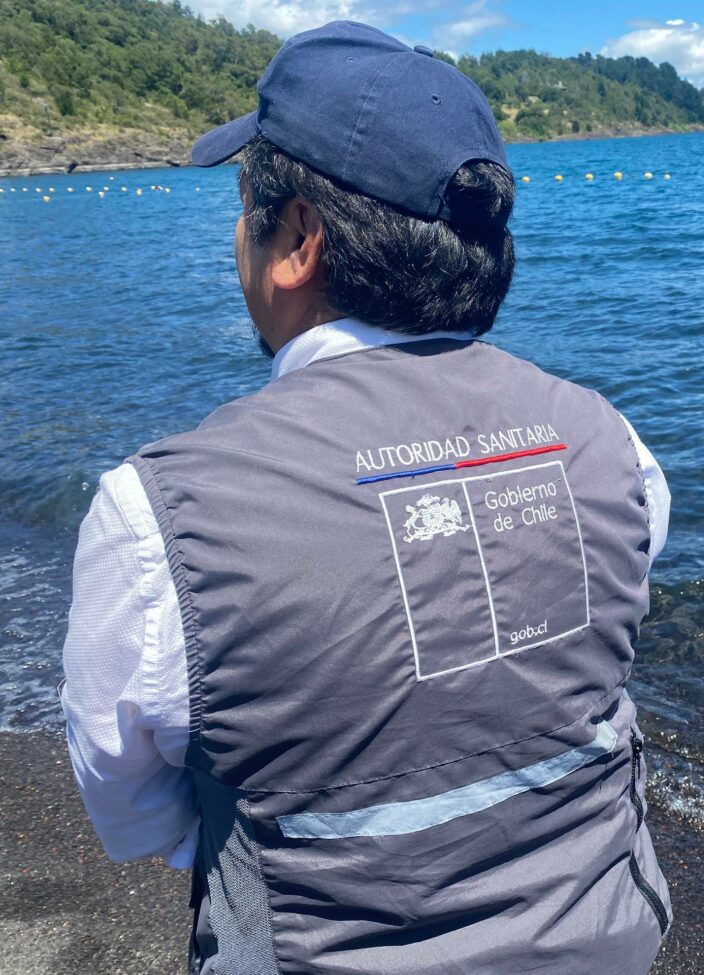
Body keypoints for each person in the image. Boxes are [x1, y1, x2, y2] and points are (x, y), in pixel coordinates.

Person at [60, 21, 672, 974]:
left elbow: (131, 808)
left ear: (297, 238)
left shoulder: (158, 514)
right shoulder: (613, 441)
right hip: (606, 939)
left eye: (243, 208)